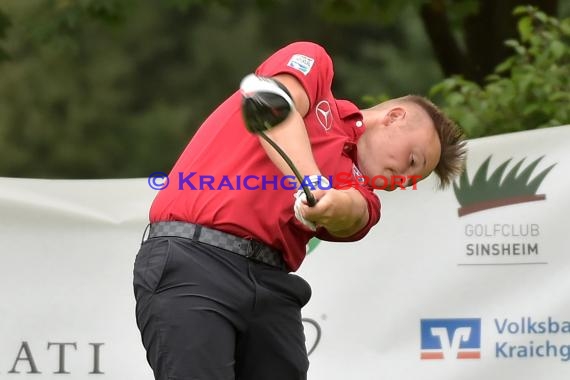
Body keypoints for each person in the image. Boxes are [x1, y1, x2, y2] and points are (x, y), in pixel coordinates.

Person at [133, 41, 466, 380]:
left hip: (272, 286)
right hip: (194, 262)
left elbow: (352, 213)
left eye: (414, 179)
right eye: (412, 161)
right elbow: (269, 103)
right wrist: (314, 182)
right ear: (395, 117)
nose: (403, 180)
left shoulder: (364, 193)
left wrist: (330, 204)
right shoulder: (315, 70)